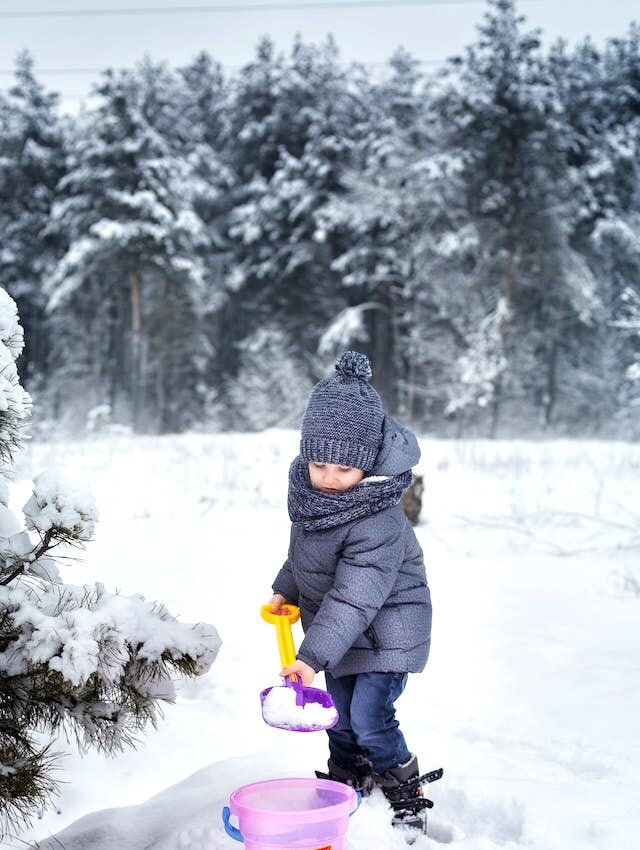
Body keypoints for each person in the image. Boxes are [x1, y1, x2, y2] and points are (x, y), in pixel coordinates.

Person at [269, 350, 437, 836]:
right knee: (338, 713)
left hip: (387, 628)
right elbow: (308, 553)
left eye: (343, 469)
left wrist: (310, 656)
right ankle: (349, 773)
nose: (328, 478)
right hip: (342, 629)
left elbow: (355, 596)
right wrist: (287, 588)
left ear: (365, 465)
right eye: (318, 463)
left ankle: (405, 788)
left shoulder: (378, 517)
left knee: (368, 714)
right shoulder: (316, 498)